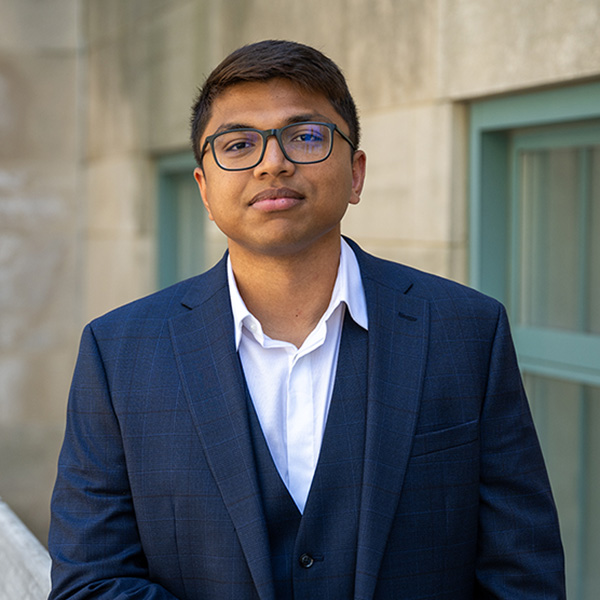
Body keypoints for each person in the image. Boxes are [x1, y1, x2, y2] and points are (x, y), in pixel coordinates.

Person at [48, 39, 565, 599]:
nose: (274, 162)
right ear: (203, 187)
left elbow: (523, 574)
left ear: (356, 173)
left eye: (306, 136)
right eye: (239, 143)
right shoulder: (119, 351)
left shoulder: (467, 331)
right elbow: (90, 583)